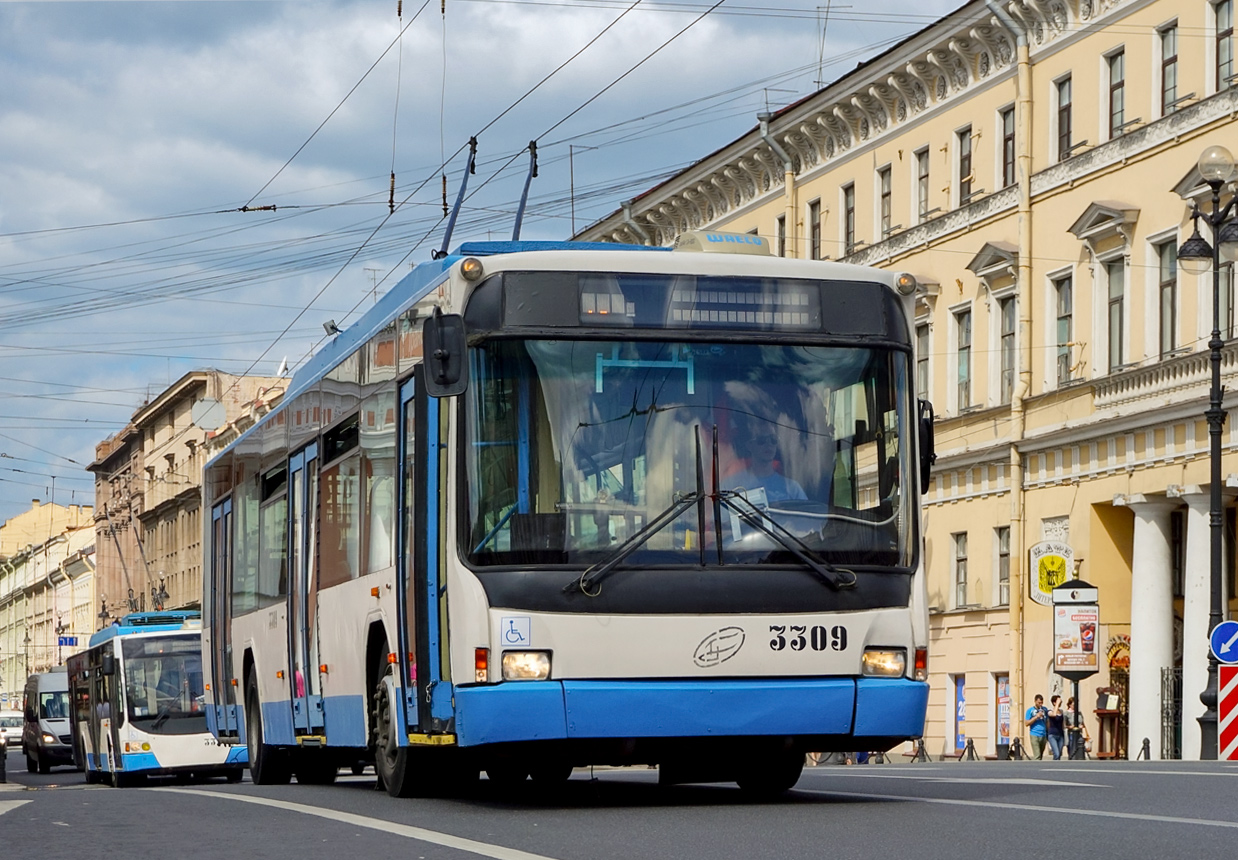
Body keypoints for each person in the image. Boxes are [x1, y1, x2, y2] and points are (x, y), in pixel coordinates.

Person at [724, 430, 807, 504]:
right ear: (749, 445)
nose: (769, 444)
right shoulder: (731, 485)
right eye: (761, 440)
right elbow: (722, 515)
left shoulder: (793, 488)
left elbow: (806, 515)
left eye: (773, 440)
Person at [1024, 694, 1048, 760]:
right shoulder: (1030, 710)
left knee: (1041, 755)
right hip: (1034, 734)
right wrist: (1036, 717)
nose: (1040, 704)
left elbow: (1047, 722)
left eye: (1041, 703)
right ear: (1035, 701)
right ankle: (1036, 765)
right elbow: (1026, 723)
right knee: (1037, 755)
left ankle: (1039, 764)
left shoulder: (1045, 709)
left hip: (1043, 734)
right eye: (1039, 703)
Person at [1046, 694, 1066, 760]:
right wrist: (1057, 704)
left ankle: (1057, 764)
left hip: (1060, 735)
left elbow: (1063, 724)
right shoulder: (1049, 711)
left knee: (1059, 754)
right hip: (1052, 735)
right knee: (1056, 753)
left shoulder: (1061, 712)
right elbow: (1054, 715)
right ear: (1054, 703)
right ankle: (1054, 764)